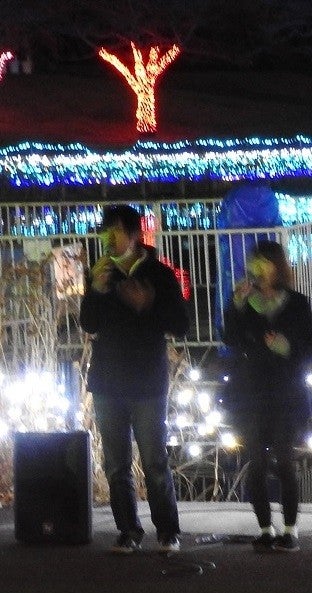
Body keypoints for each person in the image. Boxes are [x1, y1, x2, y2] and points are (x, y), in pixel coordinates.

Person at [80, 204, 189, 554]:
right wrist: (95, 289)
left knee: (155, 460)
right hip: (109, 380)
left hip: (147, 381)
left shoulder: (159, 273)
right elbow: (88, 324)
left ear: (132, 234)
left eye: (114, 232)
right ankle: (128, 530)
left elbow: (181, 324)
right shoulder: (100, 274)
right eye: (104, 232)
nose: (108, 239)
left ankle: (168, 531)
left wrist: (148, 303)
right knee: (116, 464)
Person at [221, 240, 312, 552]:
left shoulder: (298, 303)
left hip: (286, 393)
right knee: (256, 462)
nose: (258, 269)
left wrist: (287, 347)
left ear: (278, 266)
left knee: (286, 461)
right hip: (250, 392)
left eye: (264, 262)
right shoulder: (244, 301)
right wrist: (236, 306)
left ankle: (290, 529)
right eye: (255, 263)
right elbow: (230, 339)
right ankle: (265, 528)